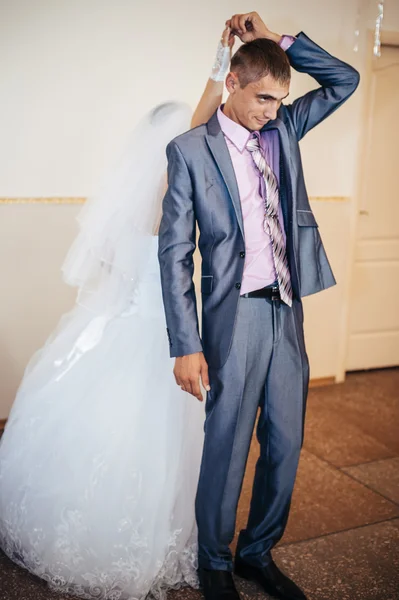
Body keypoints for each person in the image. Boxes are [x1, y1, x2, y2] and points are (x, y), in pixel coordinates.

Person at [0, 27, 234, 600]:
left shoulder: (131, 202)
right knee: (150, 437)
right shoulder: (165, 183)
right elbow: (202, 123)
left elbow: (118, 270)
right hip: (157, 335)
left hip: (126, 320)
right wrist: (221, 62)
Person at [158, 11, 360, 600]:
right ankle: (214, 562)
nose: (271, 110)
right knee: (227, 441)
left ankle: (257, 552)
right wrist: (186, 343)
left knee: (287, 440)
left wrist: (278, 39)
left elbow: (345, 80)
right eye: (263, 97)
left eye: (280, 99)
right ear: (233, 85)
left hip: (286, 310)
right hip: (234, 316)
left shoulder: (285, 130)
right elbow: (174, 254)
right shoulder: (190, 151)